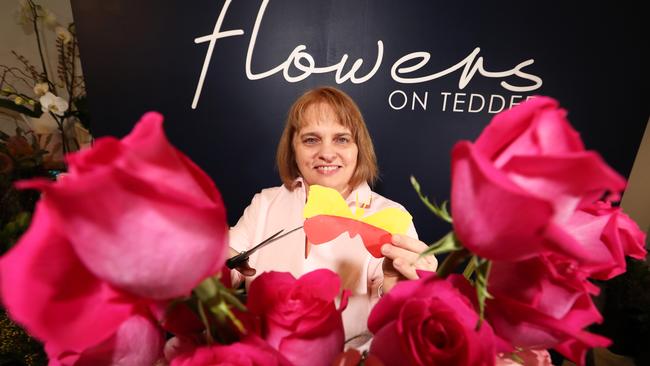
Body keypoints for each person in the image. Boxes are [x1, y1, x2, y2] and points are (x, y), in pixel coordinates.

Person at [228, 86, 437, 346]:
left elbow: (394, 315)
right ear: (293, 147)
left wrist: (401, 290)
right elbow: (227, 263)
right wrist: (208, 265)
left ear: (358, 147)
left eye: (341, 139)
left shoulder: (390, 215)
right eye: (311, 139)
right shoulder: (266, 203)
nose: (327, 153)